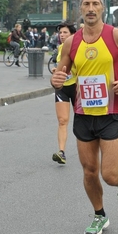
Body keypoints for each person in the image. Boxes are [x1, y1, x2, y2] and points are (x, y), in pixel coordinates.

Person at [50, 0, 118, 234]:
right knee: (90, 171)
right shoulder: (71, 42)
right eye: (86, 4)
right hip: (83, 114)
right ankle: (99, 215)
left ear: (102, 8)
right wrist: (56, 80)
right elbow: (60, 74)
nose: (91, 9)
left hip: (111, 112)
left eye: (95, 4)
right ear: (80, 9)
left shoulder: (116, 36)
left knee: (109, 174)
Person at [52, 22, 77, 164]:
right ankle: (61, 152)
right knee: (62, 121)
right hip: (62, 88)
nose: (62, 35)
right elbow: (61, 67)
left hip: (76, 86)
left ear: (72, 34)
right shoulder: (61, 48)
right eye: (60, 33)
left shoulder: (78, 48)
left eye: (65, 32)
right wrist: (56, 71)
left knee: (82, 122)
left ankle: (89, 149)